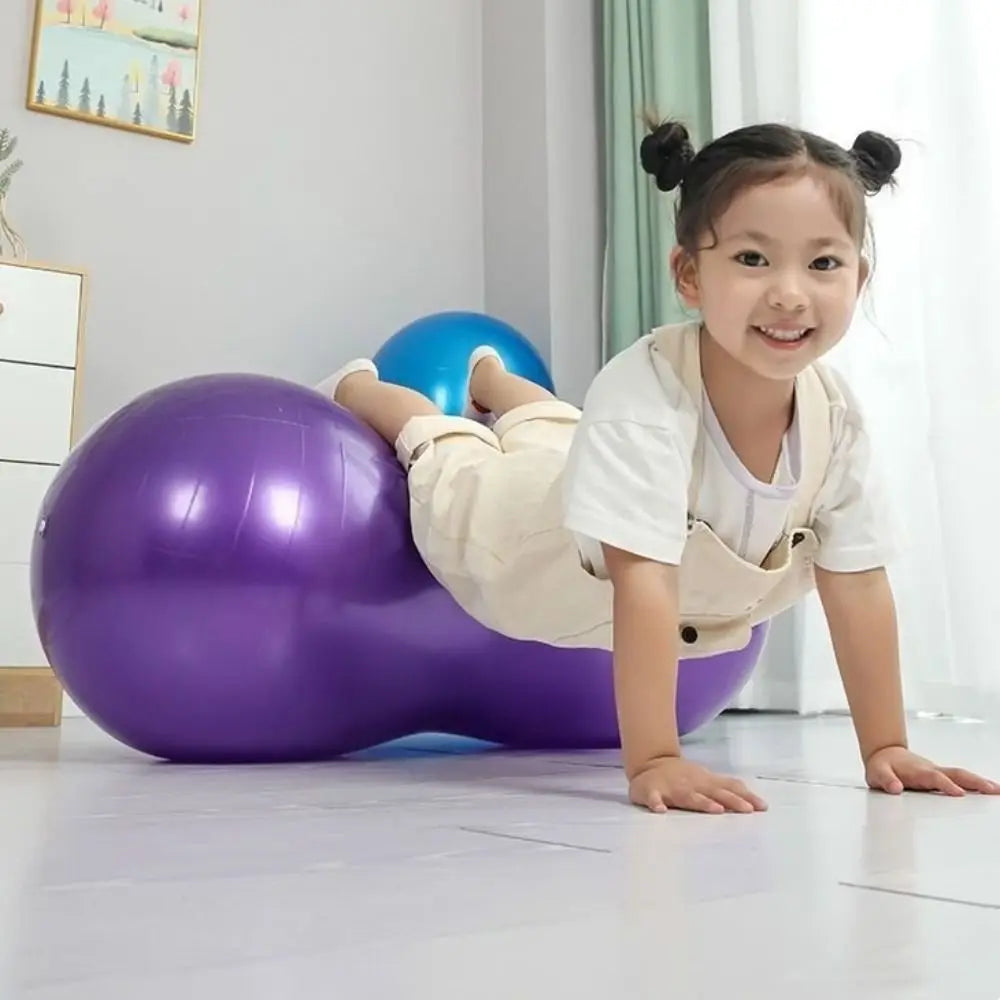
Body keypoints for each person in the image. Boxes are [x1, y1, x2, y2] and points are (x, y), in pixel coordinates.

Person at [318, 120, 999, 814]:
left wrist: (885, 746)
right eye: (753, 260)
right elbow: (642, 579)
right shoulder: (642, 395)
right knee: (454, 454)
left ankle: (494, 381)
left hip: (581, 473)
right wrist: (655, 758)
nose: (791, 294)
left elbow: (856, 582)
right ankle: (359, 386)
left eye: (823, 263)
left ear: (860, 274)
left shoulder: (835, 416)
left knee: (560, 430)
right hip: (524, 546)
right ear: (689, 275)